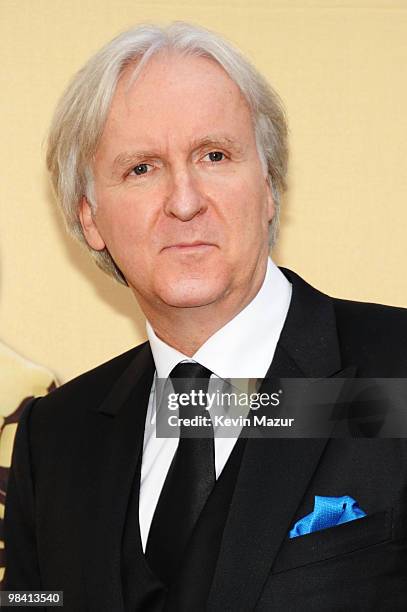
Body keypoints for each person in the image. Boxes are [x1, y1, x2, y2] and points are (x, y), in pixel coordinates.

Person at [4, 22, 407, 611]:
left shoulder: (395, 374)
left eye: (213, 155)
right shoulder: (55, 439)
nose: (184, 201)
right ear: (91, 216)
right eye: (141, 168)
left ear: (268, 186)